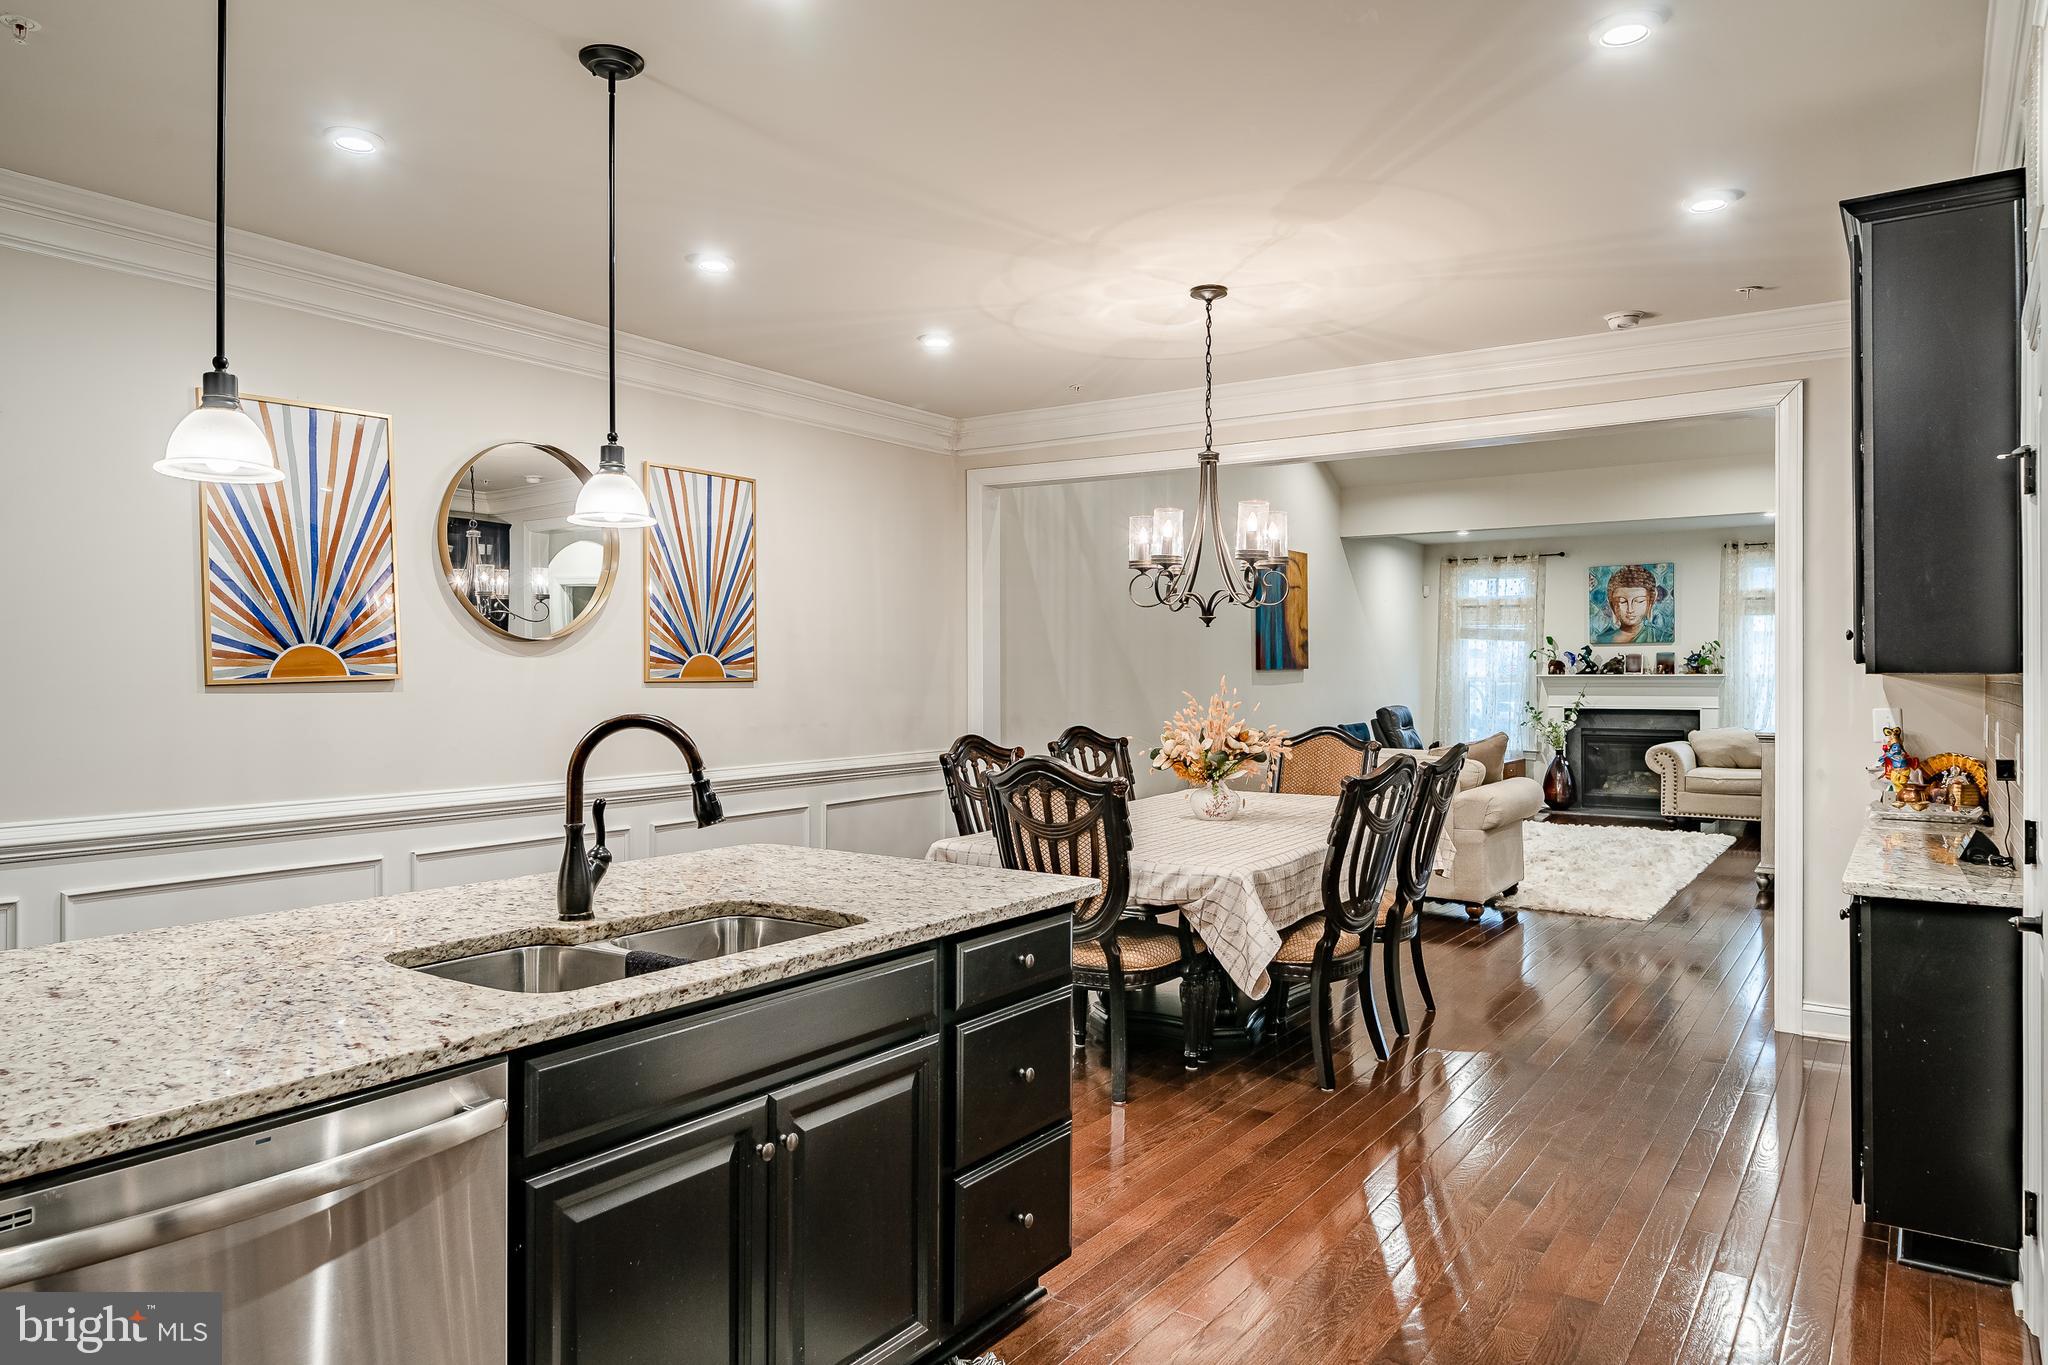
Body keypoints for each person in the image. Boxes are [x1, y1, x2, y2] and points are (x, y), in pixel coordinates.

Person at [1595, 564, 1665, 644]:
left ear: (1650, 601)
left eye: (1639, 601)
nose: (1630, 609)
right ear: (1612, 604)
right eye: (1622, 601)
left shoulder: (1662, 637)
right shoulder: (1601, 640)